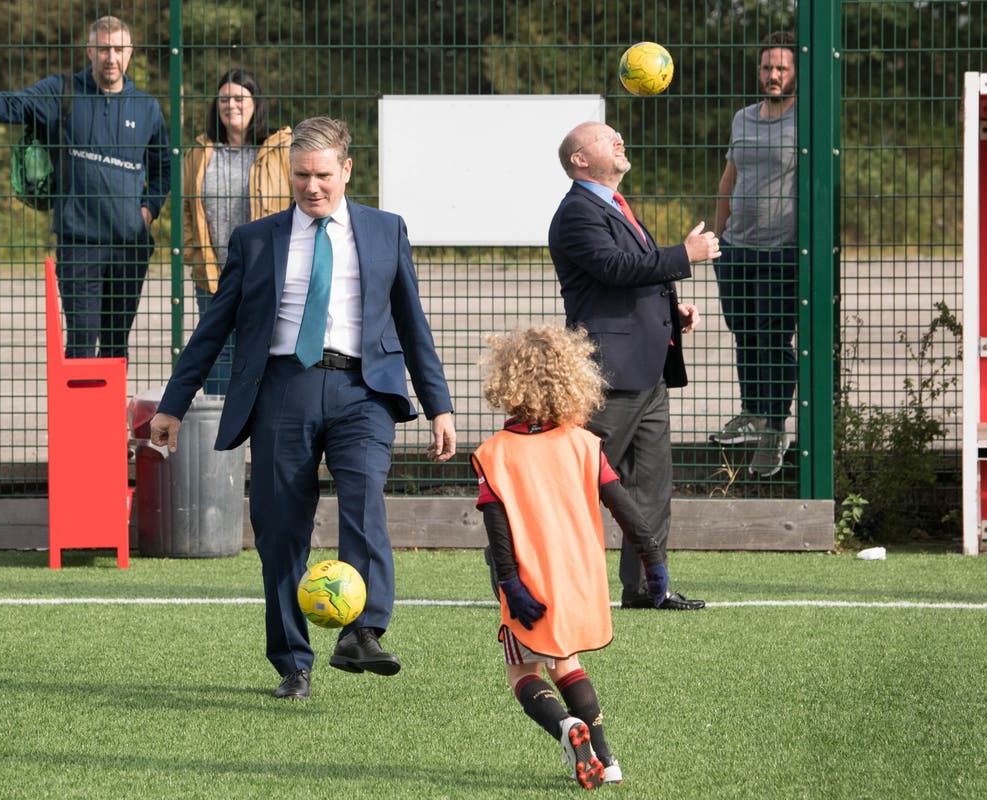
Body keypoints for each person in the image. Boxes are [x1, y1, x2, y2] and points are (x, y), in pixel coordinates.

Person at [149, 116, 457, 700]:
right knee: (280, 530)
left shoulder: (385, 230)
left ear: (346, 170)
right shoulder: (255, 239)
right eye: (300, 176)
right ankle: (294, 663)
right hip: (282, 390)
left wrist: (438, 404)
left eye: (322, 175)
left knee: (364, 502)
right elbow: (213, 328)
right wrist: (173, 404)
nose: (311, 187)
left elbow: (414, 325)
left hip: (363, 389)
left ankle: (361, 631)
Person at [472, 325, 673, 790]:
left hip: (530, 584)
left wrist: (510, 584)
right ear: (573, 378)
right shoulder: (584, 444)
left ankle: (565, 728)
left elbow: (498, 532)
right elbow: (628, 510)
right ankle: (607, 759)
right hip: (580, 584)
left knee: (522, 670)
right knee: (567, 662)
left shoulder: (494, 453)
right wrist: (653, 562)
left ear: (506, 382)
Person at [548, 120, 719, 611]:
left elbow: (631, 280)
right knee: (576, 485)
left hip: (647, 372)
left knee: (649, 489)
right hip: (608, 372)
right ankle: (543, 579)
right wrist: (684, 254)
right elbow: (615, 269)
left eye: (620, 134)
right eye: (607, 138)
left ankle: (649, 588)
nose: (620, 139)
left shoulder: (614, 205)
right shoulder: (578, 212)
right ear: (580, 159)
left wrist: (672, 310)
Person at [0, 16, 170, 360]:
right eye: (104, 49)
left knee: (116, 348)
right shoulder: (61, 92)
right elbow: (12, 106)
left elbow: (163, 167)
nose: (111, 57)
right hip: (80, 245)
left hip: (129, 246)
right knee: (81, 344)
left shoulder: (146, 107)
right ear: (90, 51)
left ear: (130, 52)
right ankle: (83, 416)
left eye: (119, 49)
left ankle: (108, 417)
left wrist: (147, 211)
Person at [711, 31, 799, 477]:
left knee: (772, 336)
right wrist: (719, 233)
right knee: (744, 332)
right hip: (736, 247)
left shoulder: (806, 119)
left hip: (781, 248)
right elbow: (730, 177)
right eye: (767, 67)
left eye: (782, 67)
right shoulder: (744, 118)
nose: (773, 75)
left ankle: (773, 427)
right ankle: (752, 411)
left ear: (796, 71)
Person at [183, 68, 292, 395]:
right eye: (225, 98)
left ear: (255, 103)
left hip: (266, 276)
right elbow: (187, 209)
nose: (232, 105)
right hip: (215, 277)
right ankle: (222, 442)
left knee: (266, 359)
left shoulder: (280, 150)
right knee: (217, 362)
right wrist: (194, 254)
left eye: (240, 98)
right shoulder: (200, 153)